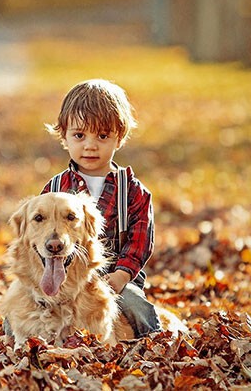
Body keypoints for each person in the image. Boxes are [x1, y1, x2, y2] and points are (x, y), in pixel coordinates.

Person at [41, 78, 161, 338]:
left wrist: (122, 275)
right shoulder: (55, 188)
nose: (90, 145)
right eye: (79, 135)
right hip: (64, 272)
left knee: (134, 306)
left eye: (103, 136)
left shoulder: (132, 191)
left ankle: (156, 343)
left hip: (114, 276)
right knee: (24, 307)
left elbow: (140, 242)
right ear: (65, 136)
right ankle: (14, 341)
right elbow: (40, 232)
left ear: (119, 138)